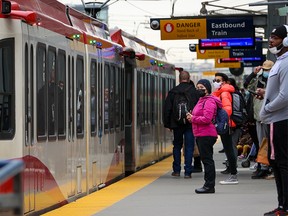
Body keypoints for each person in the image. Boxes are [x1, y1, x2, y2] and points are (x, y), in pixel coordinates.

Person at [259, 25, 288, 216]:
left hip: (280, 120)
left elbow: (285, 96)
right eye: (270, 37)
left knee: (282, 163)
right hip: (276, 119)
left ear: (285, 41)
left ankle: (285, 207)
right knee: (276, 162)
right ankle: (282, 205)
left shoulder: (285, 63)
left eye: (275, 38)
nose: (271, 41)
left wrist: (267, 108)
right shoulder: (279, 61)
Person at [186, 79, 221, 193]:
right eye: (197, 88)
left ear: (207, 89)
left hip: (206, 134)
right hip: (201, 133)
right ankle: (208, 184)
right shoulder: (202, 100)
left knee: (207, 160)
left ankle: (209, 185)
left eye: (202, 87)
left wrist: (193, 118)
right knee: (206, 160)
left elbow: (207, 118)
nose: (199, 90)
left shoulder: (209, 101)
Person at [163, 71, 199, 178]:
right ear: (189, 78)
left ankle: (177, 170)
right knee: (189, 147)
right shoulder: (194, 92)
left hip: (176, 124)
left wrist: (168, 124)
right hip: (190, 123)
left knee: (177, 146)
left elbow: (167, 109)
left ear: (179, 79)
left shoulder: (173, 92)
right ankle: (188, 171)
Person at [244, 60, 274, 179]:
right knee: (261, 142)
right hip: (259, 115)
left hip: (271, 116)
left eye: (268, 70)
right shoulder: (258, 79)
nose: (266, 72)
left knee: (271, 143)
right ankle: (263, 166)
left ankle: (269, 167)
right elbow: (247, 86)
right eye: (264, 69)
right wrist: (253, 74)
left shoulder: (275, 80)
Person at [212, 72, 238, 185]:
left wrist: (222, 122)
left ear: (224, 82)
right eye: (214, 80)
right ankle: (233, 174)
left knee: (229, 150)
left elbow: (227, 109)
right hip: (226, 124)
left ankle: (233, 175)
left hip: (226, 125)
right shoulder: (220, 92)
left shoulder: (224, 93)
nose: (215, 82)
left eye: (218, 80)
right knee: (228, 150)